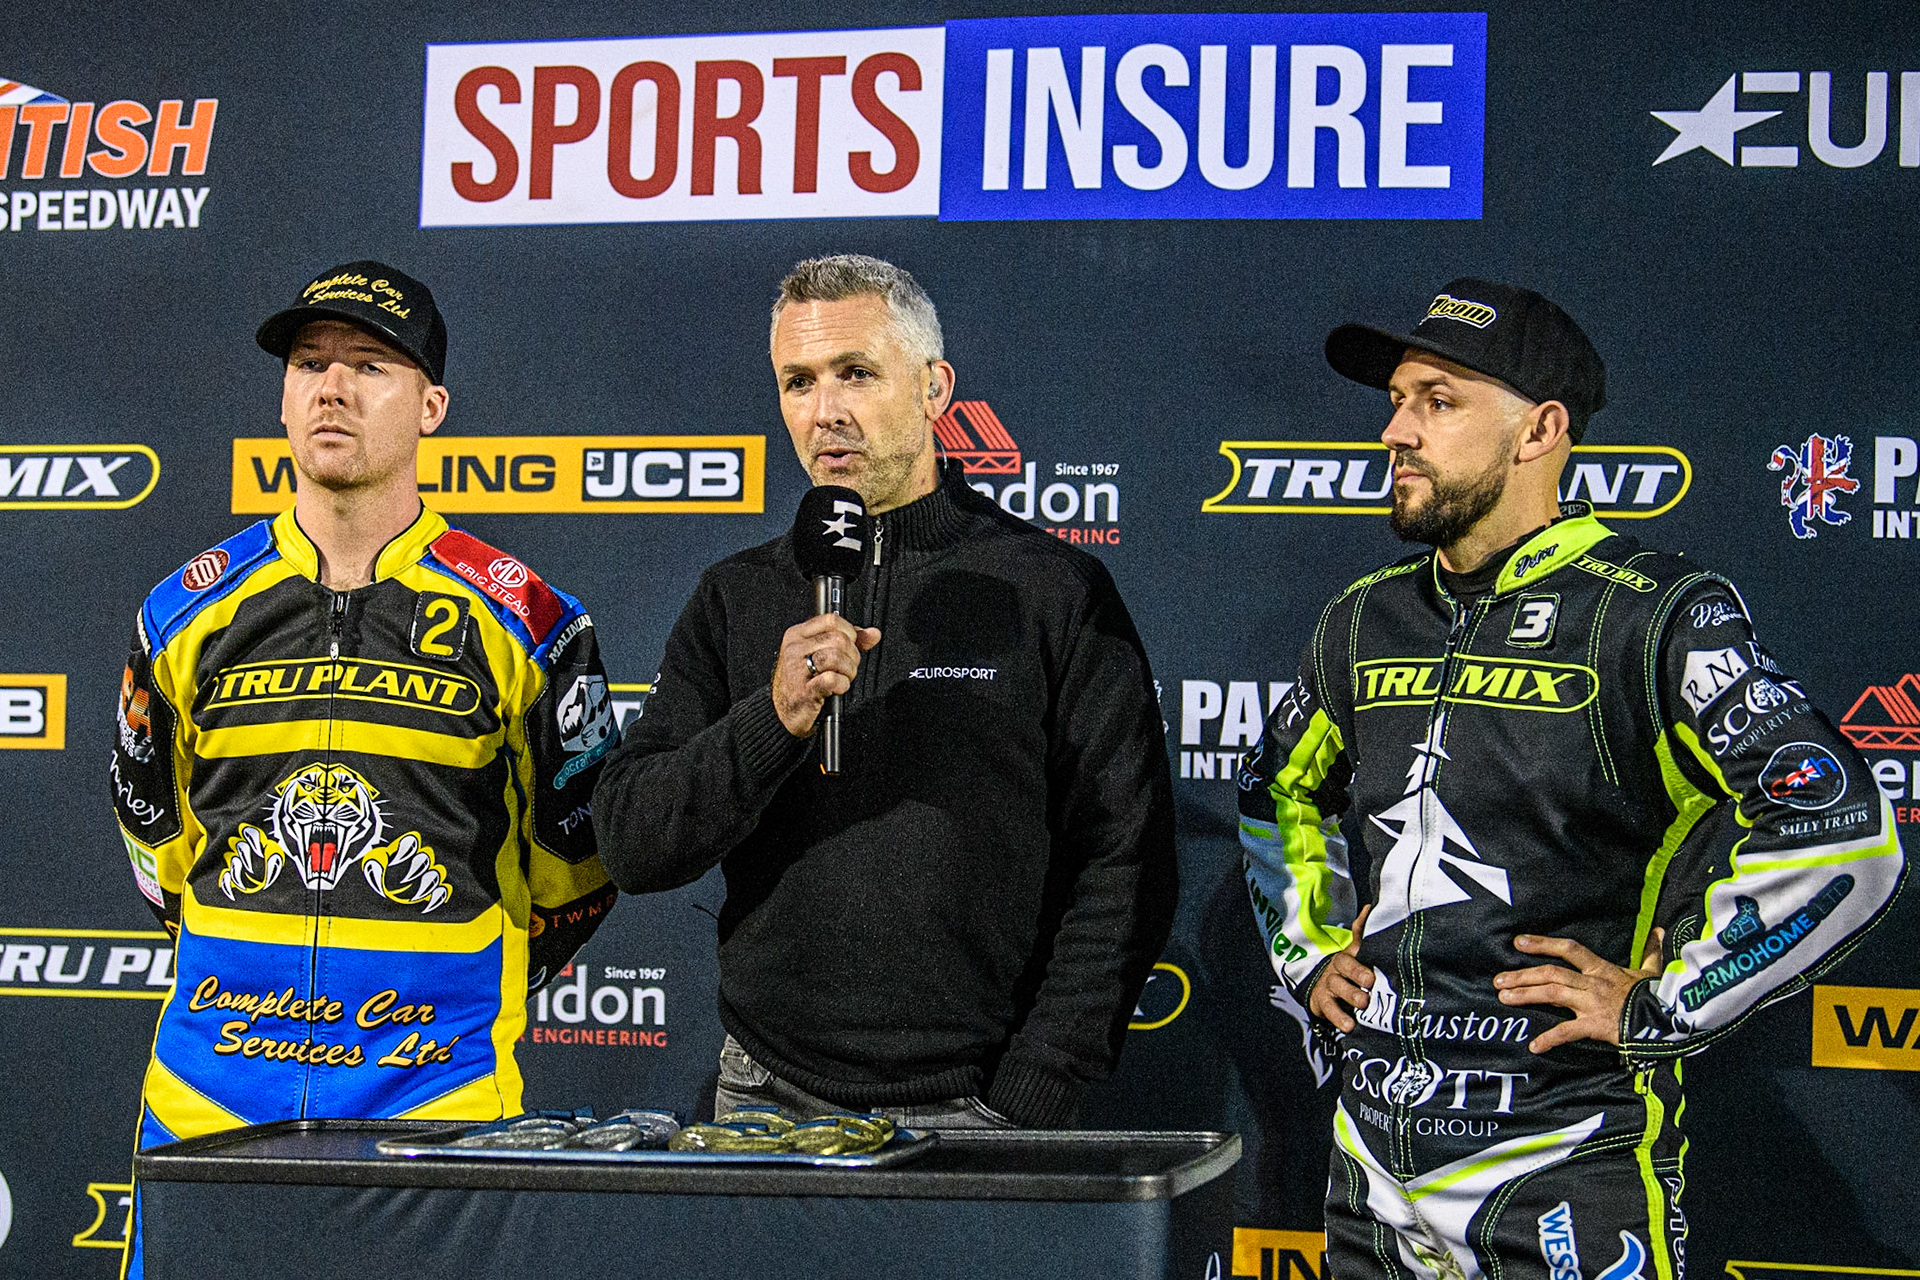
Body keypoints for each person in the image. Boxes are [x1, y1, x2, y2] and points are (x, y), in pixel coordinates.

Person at [1238, 278, 1905, 1278]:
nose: (1396, 431)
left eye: (1439, 399)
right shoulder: (1363, 619)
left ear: (1540, 429)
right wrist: (1309, 944)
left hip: (1560, 1162)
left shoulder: (1656, 615)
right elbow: (1271, 795)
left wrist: (1670, 999)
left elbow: (1842, 832)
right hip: (1372, 1168)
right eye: (1395, 399)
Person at [593, 253, 1176, 1129]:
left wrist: (1032, 1094)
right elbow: (635, 843)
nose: (824, 411)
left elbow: (1126, 861)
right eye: (798, 382)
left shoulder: (1051, 590)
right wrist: (774, 719)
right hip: (762, 1098)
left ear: (935, 386)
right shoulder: (736, 595)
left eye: (855, 373)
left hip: (976, 1109)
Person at [111, 261, 618, 1257]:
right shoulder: (182, 613)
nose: (330, 388)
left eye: (369, 365)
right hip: (211, 1109)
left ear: (431, 404)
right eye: (309, 363)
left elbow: (578, 873)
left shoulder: (530, 622)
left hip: (442, 1119)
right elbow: (158, 845)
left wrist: (447, 1009)